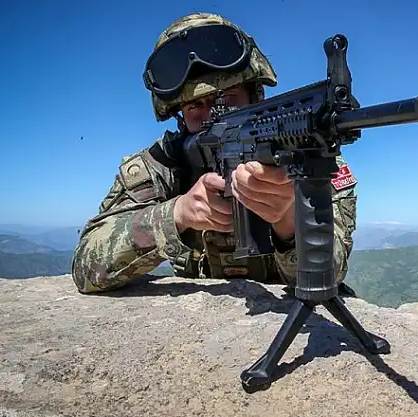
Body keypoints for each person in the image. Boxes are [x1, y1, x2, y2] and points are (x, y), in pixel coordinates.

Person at [70, 12, 359, 294]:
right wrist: (177, 214)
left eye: (228, 98)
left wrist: (288, 225)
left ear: (256, 95)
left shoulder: (304, 151)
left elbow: (331, 274)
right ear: (179, 115)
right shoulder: (161, 165)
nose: (211, 117)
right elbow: (86, 269)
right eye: (195, 106)